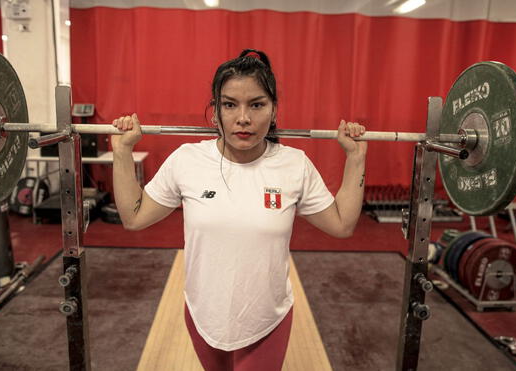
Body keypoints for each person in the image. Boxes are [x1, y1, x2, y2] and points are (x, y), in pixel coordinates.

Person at [111, 49, 367, 371]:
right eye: (230, 104)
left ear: (274, 111)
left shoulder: (294, 164)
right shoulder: (186, 160)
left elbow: (342, 225)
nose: (243, 118)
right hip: (203, 313)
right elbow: (134, 217)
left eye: (256, 104)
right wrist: (122, 153)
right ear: (215, 110)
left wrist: (356, 159)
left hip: (265, 319)